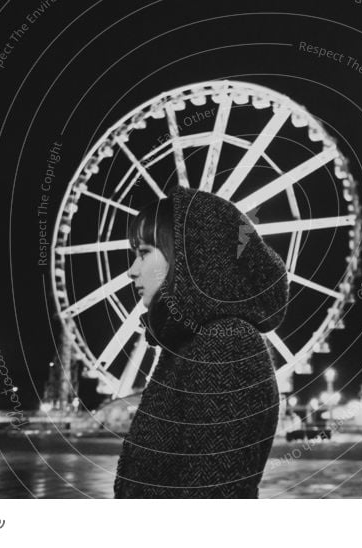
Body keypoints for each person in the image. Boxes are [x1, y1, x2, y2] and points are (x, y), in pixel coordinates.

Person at [113, 185, 289, 498]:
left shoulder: (225, 347)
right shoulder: (192, 342)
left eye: (144, 253)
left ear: (188, 256)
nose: (132, 271)